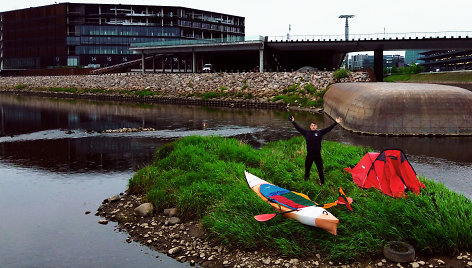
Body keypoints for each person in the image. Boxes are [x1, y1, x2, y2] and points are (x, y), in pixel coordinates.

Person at [289, 115, 342, 184]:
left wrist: (336, 122)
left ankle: (322, 183)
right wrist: (293, 121)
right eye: (312, 125)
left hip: (317, 155)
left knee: (320, 170)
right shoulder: (306, 133)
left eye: (314, 125)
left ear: (316, 127)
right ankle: (306, 182)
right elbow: (298, 128)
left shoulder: (319, 133)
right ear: (310, 127)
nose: (313, 126)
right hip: (309, 155)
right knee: (307, 169)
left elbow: (328, 129)